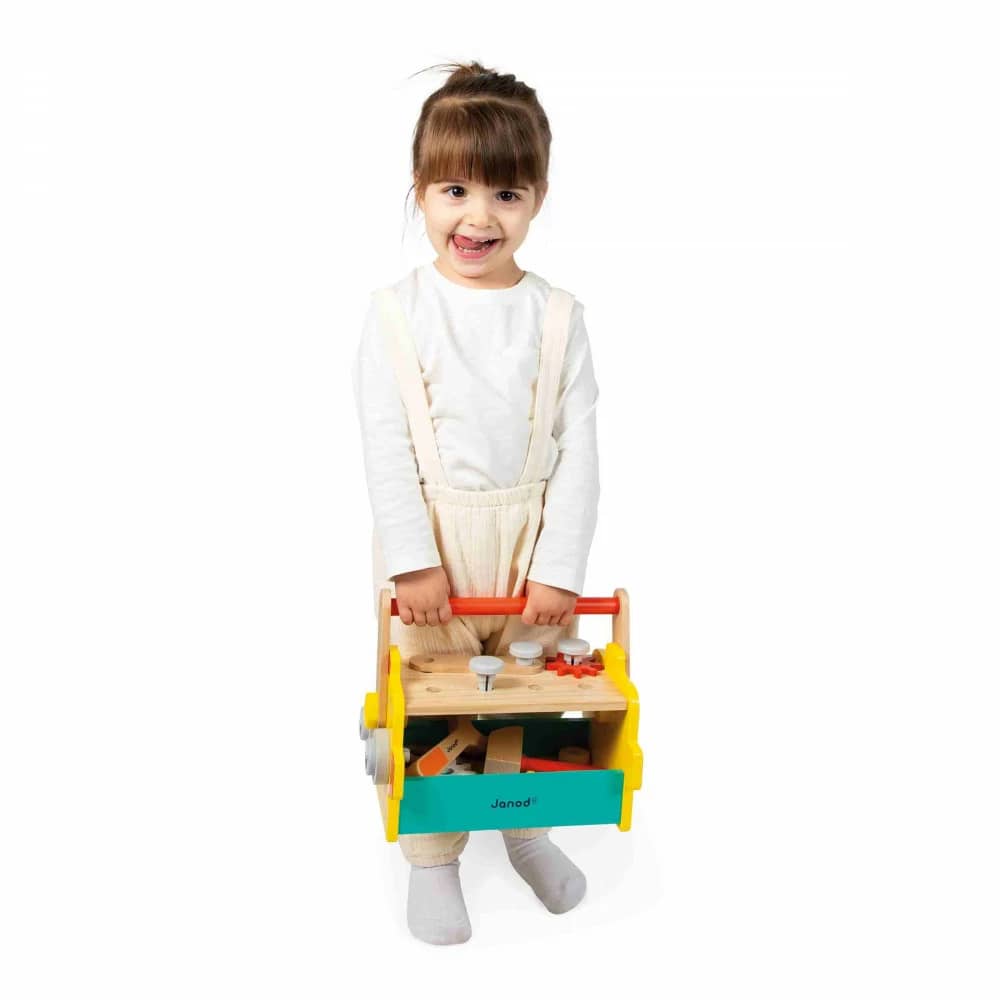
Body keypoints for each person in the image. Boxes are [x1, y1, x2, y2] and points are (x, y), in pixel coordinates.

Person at [352, 60, 600, 945]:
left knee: (525, 692)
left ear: (538, 200)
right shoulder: (397, 313)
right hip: (434, 550)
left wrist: (559, 568)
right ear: (421, 190)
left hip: (528, 546)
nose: (479, 216)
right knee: (433, 701)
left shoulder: (557, 315)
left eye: (506, 194)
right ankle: (433, 857)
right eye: (455, 190)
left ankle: (526, 827)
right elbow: (387, 449)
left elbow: (579, 453)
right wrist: (412, 560)